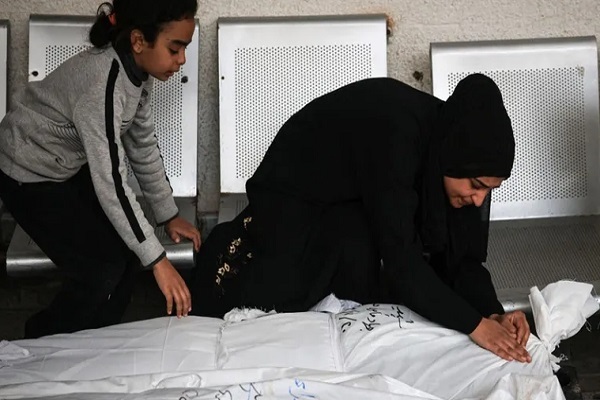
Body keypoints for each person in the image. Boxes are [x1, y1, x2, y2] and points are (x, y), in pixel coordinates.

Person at [191, 73, 532, 363]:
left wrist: (492, 312)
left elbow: (465, 258)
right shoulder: (398, 137)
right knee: (292, 293)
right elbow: (402, 260)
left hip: (351, 202)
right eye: (476, 186)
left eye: (490, 190)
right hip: (294, 202)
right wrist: (474, 325)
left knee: (381, 269)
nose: (478, 199)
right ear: (453, 158)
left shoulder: (449, 151)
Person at [0, 0, 201, 339]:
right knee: (100, 270)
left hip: (63, 167)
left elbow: (142, 145)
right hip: (26, 175)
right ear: (139, 41)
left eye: (185, 48)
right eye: (175, 48)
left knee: (126, 256)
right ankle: (41, 340)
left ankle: (97, 342)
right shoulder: (102, 85)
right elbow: (111, 182)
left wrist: (168, 214)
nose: (181, 60)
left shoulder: (136, 73)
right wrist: (159, 261)